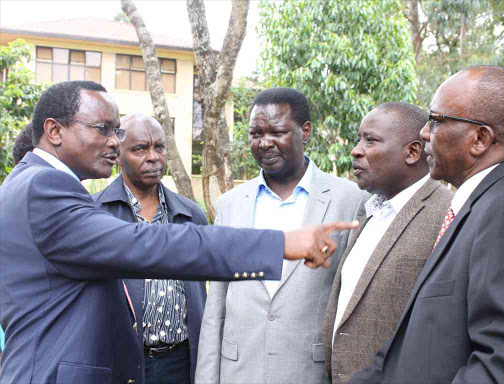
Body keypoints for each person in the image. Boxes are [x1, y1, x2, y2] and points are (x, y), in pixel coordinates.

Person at [0, 81, 357, 384]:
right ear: (54, 131)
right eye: (103, 129)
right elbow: (144, 243)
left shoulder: (28, 182)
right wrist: (280, 242)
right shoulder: (45, 187)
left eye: (117, 131)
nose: (114, 142)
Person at [349, 66, 504, 384]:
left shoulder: (503, 208)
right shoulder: (474, 203)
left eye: (436, 121)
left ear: (479, 139)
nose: (424, 132)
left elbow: (501, 363)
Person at [195, 88, 368, 384]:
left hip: (308, 372)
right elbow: (216, 305)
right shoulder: (231, 204)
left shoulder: (350, 200)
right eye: (255, 134)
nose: (264, 143)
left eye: (277, 132)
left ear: (306, 131)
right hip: (239, 372)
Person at [323, 102, 453, 383]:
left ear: (412, 152)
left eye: (370, 140)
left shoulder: (447, 213)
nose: (356, 150)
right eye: (359, 139)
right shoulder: (371, 211)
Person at [94, 114, 207, 384]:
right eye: (140, 149)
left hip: (182, 361)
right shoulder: (96, 213)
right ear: (119, 155)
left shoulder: (189, 214)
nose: (153, 157)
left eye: (159, 147)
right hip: (120, 363)